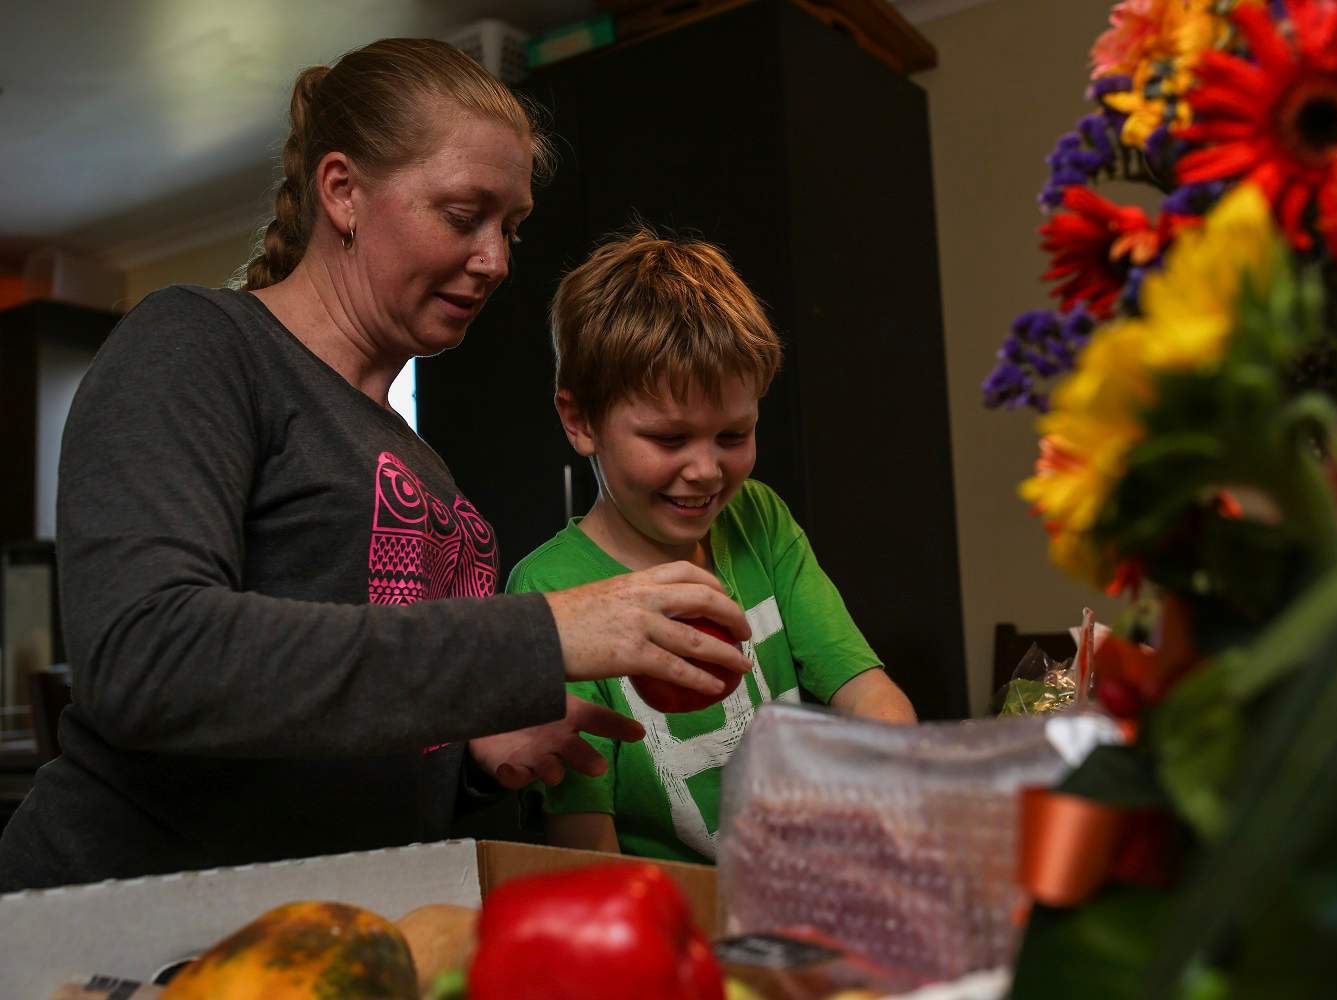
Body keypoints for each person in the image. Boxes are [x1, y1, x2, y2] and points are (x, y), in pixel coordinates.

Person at [0, 39, 752, 893]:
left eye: (511, 227)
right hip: (117, 923)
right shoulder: (198, 344)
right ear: (343, 191)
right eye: (464, 215)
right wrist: (547, 634)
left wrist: (468, 756)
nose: (497, 260)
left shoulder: (419, 458)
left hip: (314, 928)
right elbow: (151, 658)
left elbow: (345, 723)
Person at [506, 229, 917, 864]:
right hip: (664, 921)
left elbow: (867, 691)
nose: (705, 470)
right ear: (580, 420)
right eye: (670, 439)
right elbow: (585, 841)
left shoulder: (759, 519)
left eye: (733, 435)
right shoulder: (548, 591)